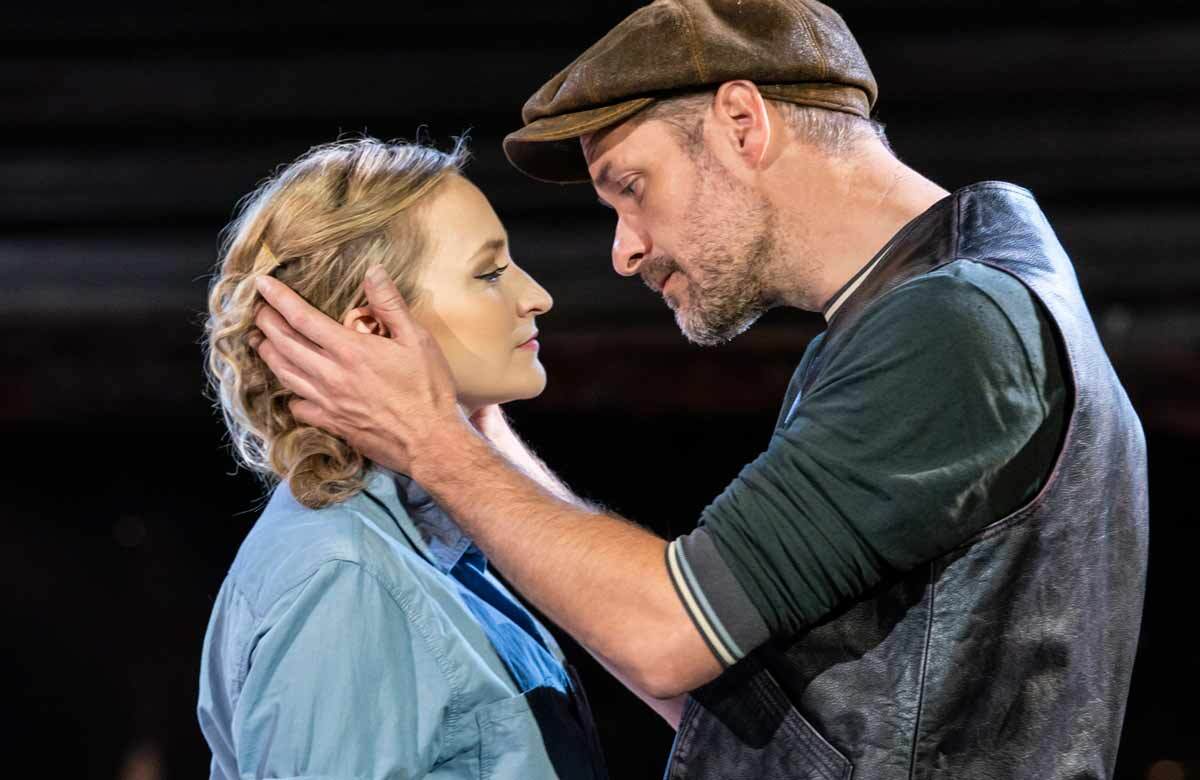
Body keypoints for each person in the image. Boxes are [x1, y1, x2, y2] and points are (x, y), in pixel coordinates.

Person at [250, 1, 1149, 776]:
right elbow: (755, 698)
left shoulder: (958, 331)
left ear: (743, 122)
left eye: (631, 187)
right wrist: (475, 437)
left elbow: (668, 631)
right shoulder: (943, 311)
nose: (624, 249)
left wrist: (433, 443)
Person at [197, 137, 610, 780]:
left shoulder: (431, 550)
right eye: (489, 274)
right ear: (372, 330)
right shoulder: (346, 578)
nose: (537, 296)